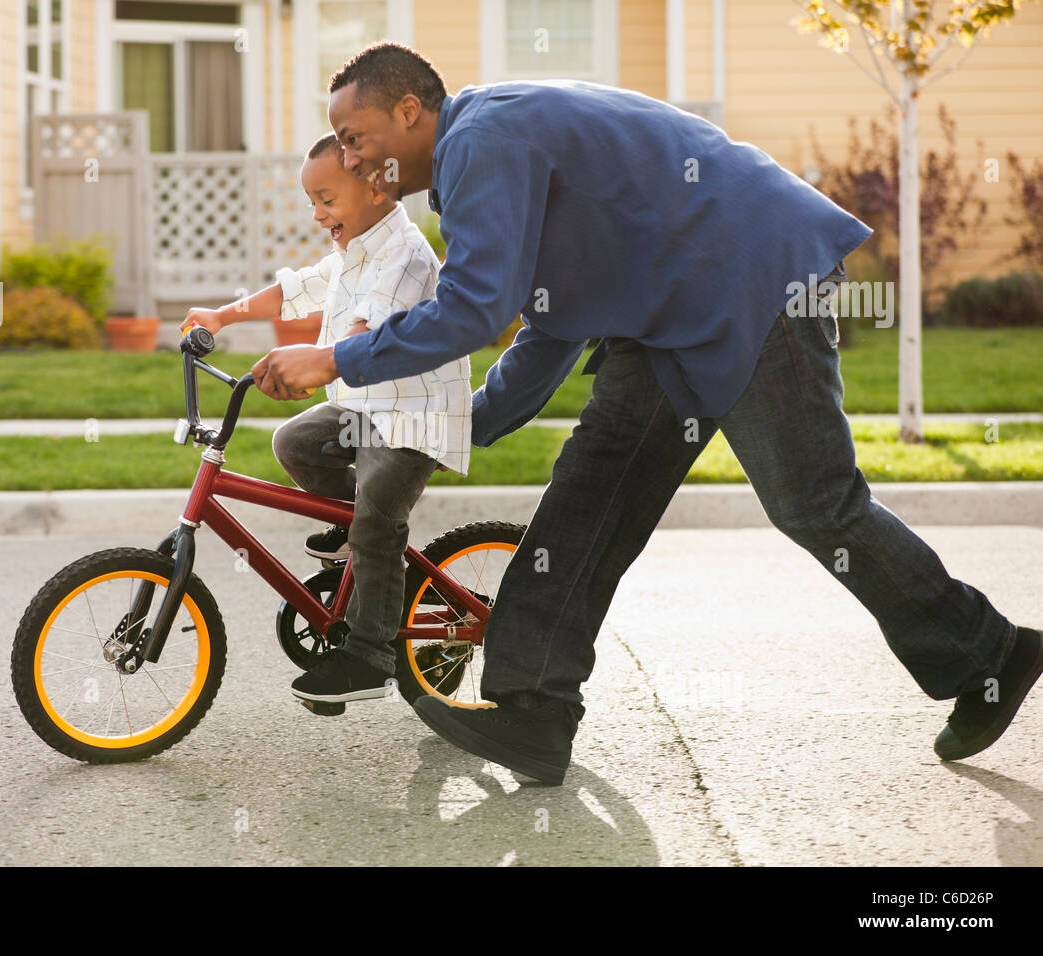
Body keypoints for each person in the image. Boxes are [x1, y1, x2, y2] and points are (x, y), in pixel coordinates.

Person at [250, 42, 1041, 784]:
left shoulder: (481, 142)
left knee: (816, 505)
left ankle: (990, 655)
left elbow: (473, 308)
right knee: (592, 491)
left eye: (353, 139)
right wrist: (456, 424)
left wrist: (335, 359)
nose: (349, 160)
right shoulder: (480, 155)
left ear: (411, 111)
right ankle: (535, 708)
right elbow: (550, 326)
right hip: (663, 316)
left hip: (749, 282)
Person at [189, 132, 471, 707]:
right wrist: (221, 315)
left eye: (326, 200)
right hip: (365, 410)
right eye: (312, 202)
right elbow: (298, 289)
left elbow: (365, 337)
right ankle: (364, 539)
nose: (318, 215)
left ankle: (369, 655)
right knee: (295, 442)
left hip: (411, 417)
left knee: (376, 521)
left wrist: (316, 367)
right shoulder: (356, 248)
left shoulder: (404, 256)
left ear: (375, 189)